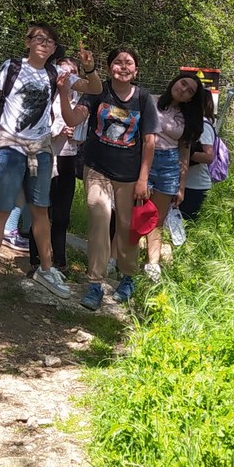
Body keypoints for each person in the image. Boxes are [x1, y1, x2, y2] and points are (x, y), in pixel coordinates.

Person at [0, 24, 101, 300]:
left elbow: (94, 87)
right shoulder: (11, 67)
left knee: (41, 210)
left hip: (40, 150)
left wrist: (89, 67)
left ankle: (46, 269)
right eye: (39, 38)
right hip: (10, 146)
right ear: (28, 42)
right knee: (0, 210)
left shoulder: (56, 73)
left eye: (50, 41)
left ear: (55, 49)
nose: (44, 44)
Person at [63, 48, 157, 310]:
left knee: (126, 228)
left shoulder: (143, 98)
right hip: (97, 168)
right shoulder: (98, 91)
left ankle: (127, 278)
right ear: (108, 67)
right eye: (117, 62)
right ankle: (95, 283)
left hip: (129, 175)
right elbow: (73, 118)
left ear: (136, 71)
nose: (123, 67)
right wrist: (62, 93)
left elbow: (150, 141)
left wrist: (143, 179)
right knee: (99, 216)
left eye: (129, 63)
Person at [145, 74, 207, 268]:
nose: (183, 90)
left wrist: (181, 185)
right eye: (183, 83)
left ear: (190, 99)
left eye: (190, 91)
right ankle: (118, 260)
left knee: (157, 219)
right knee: (134, 214)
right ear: (175, 81)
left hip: (169, 165)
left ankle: (152, 265)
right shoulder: (149, 100)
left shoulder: (187, 117)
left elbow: (185, 151)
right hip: (144, 160)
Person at [36, 56, 85, 277]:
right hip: (47, 157)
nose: (68, 77)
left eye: (73, 72)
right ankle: (37, 260)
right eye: (63, 72)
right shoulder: (47, 97)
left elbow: (83, 135)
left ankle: (60, 261)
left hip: (68, 159)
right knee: (41, 210)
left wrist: (76, 135)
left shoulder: (81, 101)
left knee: (62, 214)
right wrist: (59, 132)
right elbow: (37, 130)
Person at [179, 84, 218, 219]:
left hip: (195, 186)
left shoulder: (203, 126)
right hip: (188, 184)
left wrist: (185, 153)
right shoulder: (194, 122)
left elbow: (208, 157)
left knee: (188, 224)